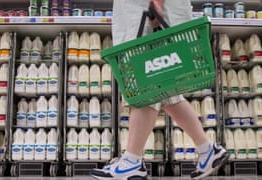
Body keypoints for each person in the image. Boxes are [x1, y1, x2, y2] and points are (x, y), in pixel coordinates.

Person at [90, 0, 229, 179]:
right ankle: (207, 150)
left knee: (143, 82)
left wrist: (157, 3)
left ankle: (132, 161)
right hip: (143, 10)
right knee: (163, 91)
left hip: (147, 9)